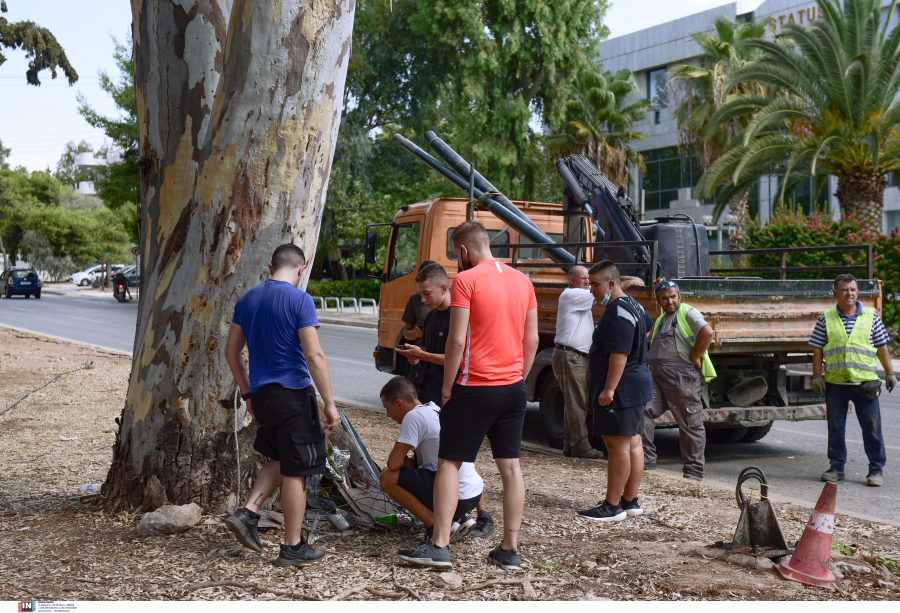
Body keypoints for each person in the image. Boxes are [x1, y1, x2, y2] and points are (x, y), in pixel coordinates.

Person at [398, 220, 539, 571]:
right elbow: (532, 340)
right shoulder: (523, 281)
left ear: (462, 251)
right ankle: (509, 549)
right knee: (510, 467)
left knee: (449, 462)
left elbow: (456, 341)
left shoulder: (465, 280)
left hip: (474, 386)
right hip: (513, 389)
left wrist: (447, 388)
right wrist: (518, 379)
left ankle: (440, 546)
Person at [223, 244, 340, 566]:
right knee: (297, 470)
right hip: (292, 394)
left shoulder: (247, 299)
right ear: (301, 269)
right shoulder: (299, 299)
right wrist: (329, 402)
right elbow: (314, 355)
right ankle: (293, 547)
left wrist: (248, 395)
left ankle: (248, 512)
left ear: (270, 267)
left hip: (262, 397)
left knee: (279, 458)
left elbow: (231, 353)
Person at [395, 262, 495, 538]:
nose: (422, 300)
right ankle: (448, 512)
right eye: (420, 295)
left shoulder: (457, 315)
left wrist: (424, 355)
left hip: (453, 393)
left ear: (443, 287)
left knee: (463, 452)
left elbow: (459, 358)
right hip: (428, 390)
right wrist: (417, 355)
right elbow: (431, 351)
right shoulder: (433, 317)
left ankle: (482, 513)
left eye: (426, 294)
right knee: (428, 450)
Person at [379, 376, 485, 559]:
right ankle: (458, 518)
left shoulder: (413, 416)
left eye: (387, 409)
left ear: (399, 403)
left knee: (386, 478)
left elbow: (393, 464)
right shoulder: (433, 408)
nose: (388, 415)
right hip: (472, 494)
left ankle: (433, 523)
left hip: (454, 494)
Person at [579, 261, 653, 522]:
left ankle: (612, 506)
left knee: (618, 445)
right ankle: (630, 501)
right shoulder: (633, 304)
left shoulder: (617, 312)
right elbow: (648, 325)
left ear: (611, 284)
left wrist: (609, 389)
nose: (592, 291)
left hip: (622, 388)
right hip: (635, 383)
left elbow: (618, 353)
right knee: (632, 442)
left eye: (595, 285)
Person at [809, 274, 895, 487]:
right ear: (835, 293)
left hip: (865, 383)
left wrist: (890, 373)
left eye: (853, 289)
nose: (850, 293)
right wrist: (817, 376)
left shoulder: (871, 317)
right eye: (845, 289)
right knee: (836, 428)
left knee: (872, 428)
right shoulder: (826, 318)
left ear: (857, 292)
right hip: (836, 385)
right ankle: (836, 468)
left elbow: (882, 347)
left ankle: (876, 470)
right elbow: (817, 349)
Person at [552, 265, 645, 459]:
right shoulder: (572, 295)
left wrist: (620, 276)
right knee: (577, 403)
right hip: (571, 355)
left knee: (574, 402)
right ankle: (580, 446)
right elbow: (608, 289)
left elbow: (611, 282)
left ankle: (571, 445)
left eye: (591, 280)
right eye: (585, 279)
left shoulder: (579, 296)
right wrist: (632, 281)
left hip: (576, 356)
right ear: (572, 280)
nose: (589, 284)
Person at [643, 281, 715, 481]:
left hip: (682, 379)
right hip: (658, 379)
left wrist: (695, 356)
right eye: (665, 298)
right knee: (642, 409)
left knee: (690, 424)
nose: (670, 301)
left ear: (679, 297)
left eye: (673, 296)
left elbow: (707, 332)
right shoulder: (661, 320)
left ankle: (693, 474)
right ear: (659, 301)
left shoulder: (687, 313)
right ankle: (646, 461)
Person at [401, 260, 439, 342]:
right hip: (422, 350)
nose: (423, 299)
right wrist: (416, 333)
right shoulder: (414, 299)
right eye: (421, 293)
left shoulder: (452, 295)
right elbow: (407, 332)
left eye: (427, 293)